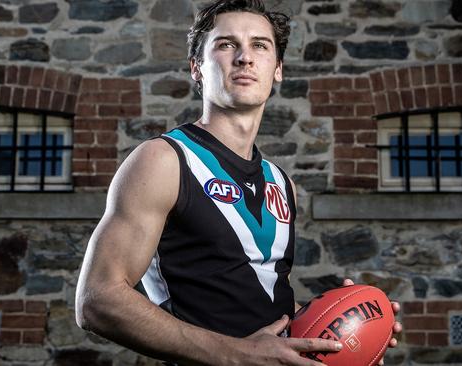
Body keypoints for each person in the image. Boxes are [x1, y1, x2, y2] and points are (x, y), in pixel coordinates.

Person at [75, 1, 402, 365]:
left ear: (277, 69)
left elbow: (254, 298)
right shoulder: (163, 160)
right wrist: (237, 354)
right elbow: (96, 299)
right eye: (226, 44)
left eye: (260, 45)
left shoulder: (282, 184)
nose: (245, 57)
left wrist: (341, 325)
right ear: (197, 67)